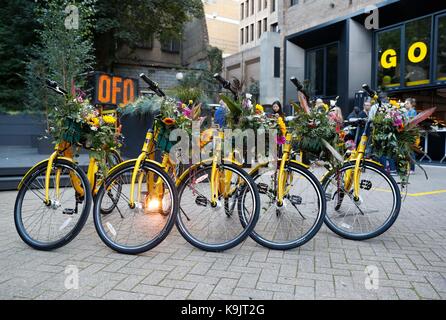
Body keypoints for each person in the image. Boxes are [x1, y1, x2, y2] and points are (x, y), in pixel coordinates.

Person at [405, 98, 418, 173]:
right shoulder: (406, 111)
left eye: (407, 103)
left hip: (411, 133)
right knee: (407, 150)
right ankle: (408, 167)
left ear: (411, 104)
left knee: (410, 151)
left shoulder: (413, 111)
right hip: (407, 132)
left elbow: (410, 121)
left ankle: (412, 168)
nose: (405, 104)